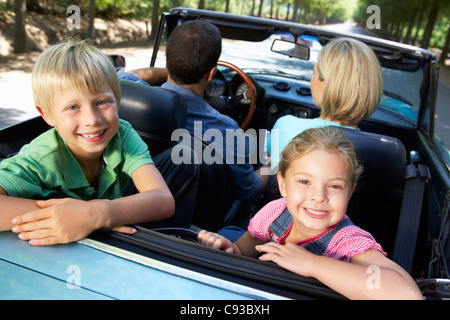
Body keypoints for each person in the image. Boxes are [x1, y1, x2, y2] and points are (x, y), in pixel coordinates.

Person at [198, 126, 423, 300]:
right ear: (283, 184)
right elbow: (243, 254)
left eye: (335, 186)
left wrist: (312, 264)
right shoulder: (275, 214)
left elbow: (407, 294)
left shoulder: (346, 243)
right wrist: (229, 249)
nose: (318, 196)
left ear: (350, 192)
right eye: (305, 181)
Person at [0, 40, 179, 246]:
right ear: (47, 114)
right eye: (73, 107)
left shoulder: (122, 134)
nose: (92, 119)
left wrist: (94, 215)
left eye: (102, 102)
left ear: (117, 99)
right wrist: (67, 217)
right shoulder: (41, 157)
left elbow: (163, 200)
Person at [119, 20, 268, 224]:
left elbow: (138, 75)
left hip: (127, 206)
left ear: (168, 60)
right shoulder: (226, 129)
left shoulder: (124, 94)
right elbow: (249, 190)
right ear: (211, 73)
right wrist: (271, 163)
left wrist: (173, 69)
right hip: (192, 226)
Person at [268, 37, 383, 170]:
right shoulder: (381, 151)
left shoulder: (286, 127)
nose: (311, 82)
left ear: (327, 85)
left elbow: (269, 174)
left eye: (315, 74)